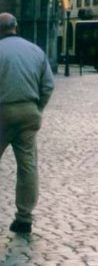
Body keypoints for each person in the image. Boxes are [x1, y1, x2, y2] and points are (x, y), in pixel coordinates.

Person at [0, 12, 55, 234]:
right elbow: (48, 85)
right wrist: (37, 108)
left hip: (2, 112)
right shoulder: (36, 51)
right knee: (27, 166)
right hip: (28, 112)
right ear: (16, 27)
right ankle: (24, 217)